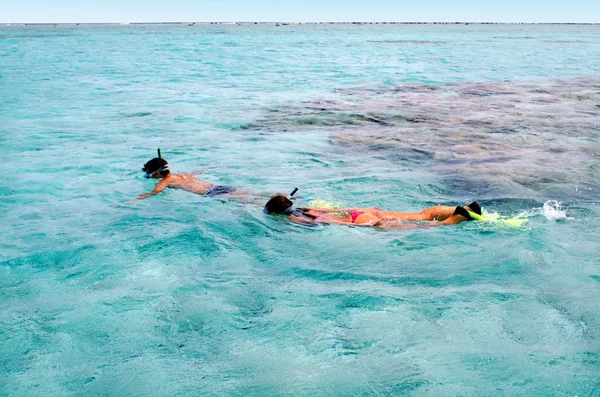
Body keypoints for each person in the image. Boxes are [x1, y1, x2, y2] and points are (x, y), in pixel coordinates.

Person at [263, 195, 482, 228]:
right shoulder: (302, 207)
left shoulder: (294, 216)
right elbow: (337, 211)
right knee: (419, 215)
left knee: (415, 228)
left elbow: (316, 223)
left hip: (360, 221)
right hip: (359, 212)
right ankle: (461, 209)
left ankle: (455, 219)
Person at [129, 151, 255, 203]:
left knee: (247, 201)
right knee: (250, 193)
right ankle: (272, 196)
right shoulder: (182, 175)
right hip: (215, 186)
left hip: (209, 193)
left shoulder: (164, 182)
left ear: (156, 173)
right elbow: (197, 172)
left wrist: (132, 201)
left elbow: (153, 193)